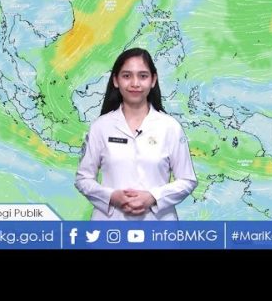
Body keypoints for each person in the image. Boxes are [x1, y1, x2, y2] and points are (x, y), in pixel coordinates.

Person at [75, 47, 197, 220]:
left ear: (153, 80)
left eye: (143, 76)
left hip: (158, 227)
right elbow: (83, 179)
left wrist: (153, 197)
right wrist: (112, 197)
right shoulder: (100, 127)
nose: (135, 83)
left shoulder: (170, 127)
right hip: (110, 227)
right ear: (115, 80)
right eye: (126, 76)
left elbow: (187, 180)